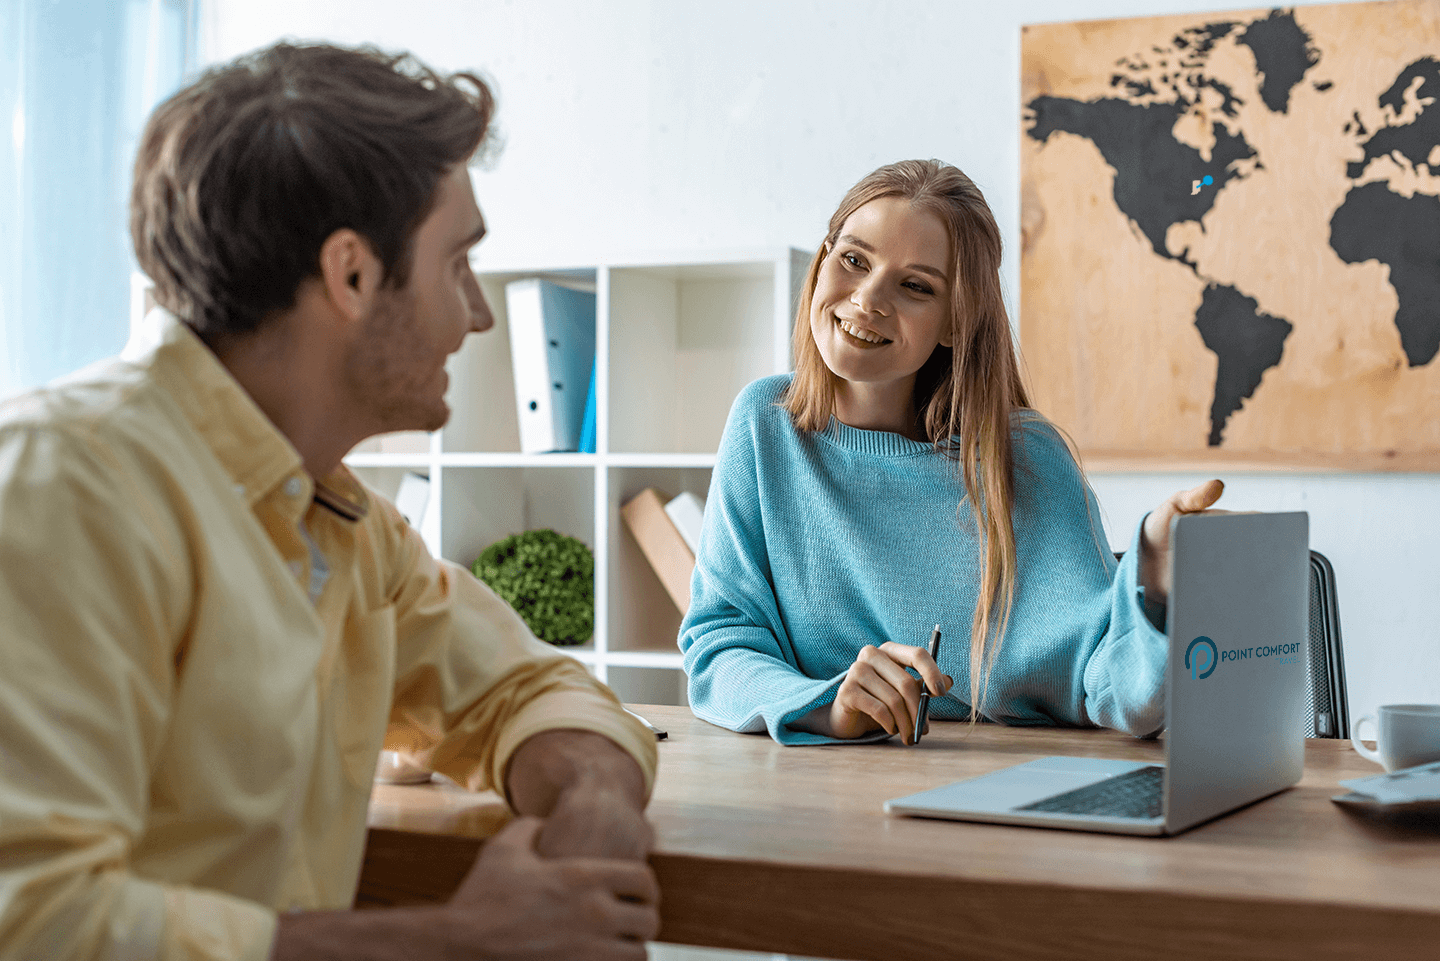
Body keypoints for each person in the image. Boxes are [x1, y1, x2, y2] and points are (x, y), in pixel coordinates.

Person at [0, 43, 661, 961]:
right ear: (352, 275)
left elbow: (530, 688)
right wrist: (461, 940)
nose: (477, 315)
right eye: (457, 264)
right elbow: (33, 925)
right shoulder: (62, 486)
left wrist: (591, 813)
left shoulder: (340, 521)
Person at [679, 159, 1223, 746]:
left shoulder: (1024, 459)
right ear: (822, 260)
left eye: (915, 286)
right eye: (854, 260)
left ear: (955, 321)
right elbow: (721, 646)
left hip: (1007, 788)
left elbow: (1119, 692)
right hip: (824, 787)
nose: (867, 299)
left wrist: (1158, 581)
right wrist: (827, 706)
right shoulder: (767, 423)